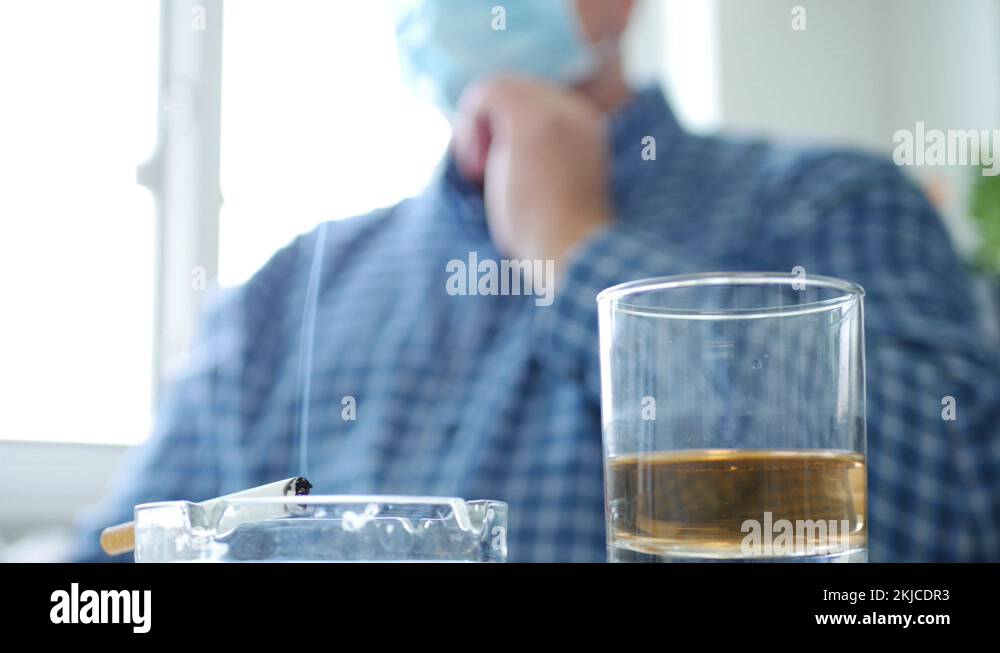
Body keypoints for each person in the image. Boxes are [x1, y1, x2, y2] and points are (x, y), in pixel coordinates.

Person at [71, 0, 1000, 562]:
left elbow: (951, 525)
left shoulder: (829, 208)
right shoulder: (286, 296)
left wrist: (574, 246)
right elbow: (105, 579)